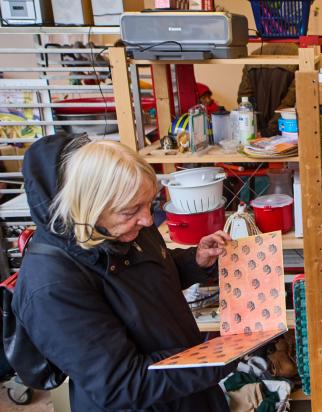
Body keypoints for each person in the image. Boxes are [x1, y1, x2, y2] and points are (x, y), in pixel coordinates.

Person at [13, 135, 235, 411]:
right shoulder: (51, 285)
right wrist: (219, 357)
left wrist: (196, 260)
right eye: (131, 211)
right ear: (87, 207)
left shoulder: (122, 228)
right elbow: (122, 383)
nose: (147, 219)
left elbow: (148, 278)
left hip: (187, 388)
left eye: (149, 204)